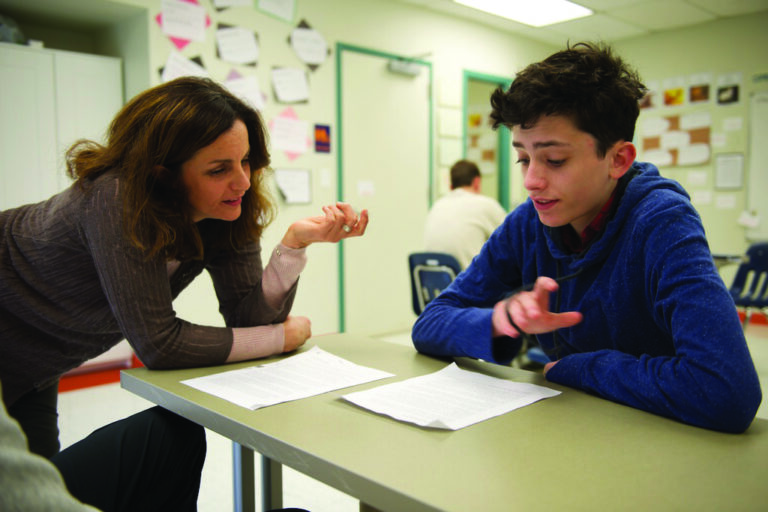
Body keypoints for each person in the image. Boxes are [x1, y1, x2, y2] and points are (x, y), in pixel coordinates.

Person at [0, 75, 368, 463]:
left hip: (37, 365)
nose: (243, 182)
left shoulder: (226, 212)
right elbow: (159, 344)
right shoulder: (116, 197)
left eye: (245, 161)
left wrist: (293, 246)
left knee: (35, 486)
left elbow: (247, 317)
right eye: (218, 170)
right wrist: (280, 337)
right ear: (164, 174)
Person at [411, 42, 762, 433]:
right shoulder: (528, 223)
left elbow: (727, 392)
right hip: (575, 430)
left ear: (618, 160)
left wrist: (581, 367)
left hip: (663, 436)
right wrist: (499, 318)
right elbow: (429, 324)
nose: (531, 181)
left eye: (555, 160)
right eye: (523, 158)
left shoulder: (662, 222)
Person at [423, 159, 507, 269]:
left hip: (433, 283)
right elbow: (514, 239)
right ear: (477, 182)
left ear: (451, 186)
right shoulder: (485, 204)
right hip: (468, 282)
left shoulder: (436, 206)